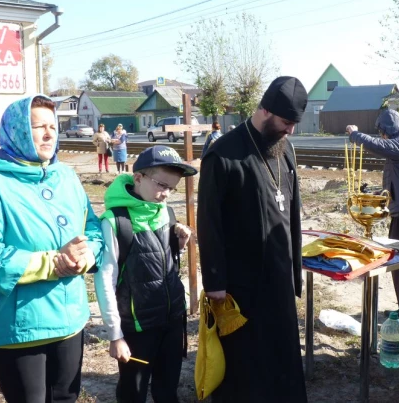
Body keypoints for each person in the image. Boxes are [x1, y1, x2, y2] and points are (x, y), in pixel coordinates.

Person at [0, 94, 104, 402]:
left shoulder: (67, 176)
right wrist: (54, 263)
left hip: (70, 321)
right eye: (37, 126)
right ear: (17, 130)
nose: (49, 134)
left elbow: (93, 229)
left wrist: (87, 255)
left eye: (53, 126)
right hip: (17, 330)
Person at [197, 76, 309, 402]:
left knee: (282, 356)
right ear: (265, 110)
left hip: (280, 278)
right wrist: (215, 281)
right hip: (241, 284)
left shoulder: (285, 152)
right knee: (246, 366)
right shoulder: (223, 155)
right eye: (286, 122)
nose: (290, 131)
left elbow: (293, 214)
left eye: (294, 124)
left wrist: (294, 273)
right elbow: (209, 223)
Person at [94, 145, 196, 403]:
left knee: (167, 388)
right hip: (137, 327)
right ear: (138, 177)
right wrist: (115, 335)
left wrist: (179, 247)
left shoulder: (166, 212)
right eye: (162, 185)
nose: (166, 194)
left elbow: (161, 264)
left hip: (172, 319)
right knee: (133, 391)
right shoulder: (116, 222)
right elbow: (105, 279)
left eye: (172, 188)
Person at [346, 108, 399, 331]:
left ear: (388, 130)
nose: (382, 137)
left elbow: (380, 146)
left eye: (382, 132)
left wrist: (356, 135)